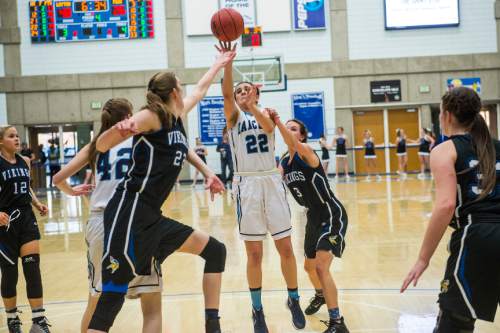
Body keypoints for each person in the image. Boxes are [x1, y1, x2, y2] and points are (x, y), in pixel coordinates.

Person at [88, 48, 234, 333]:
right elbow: (102, 146)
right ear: (175, 92)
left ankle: (212, 325)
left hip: (151, 217)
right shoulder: (150, 116)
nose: (185, 88)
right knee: (112, 297)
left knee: (215, 251)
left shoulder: (176, 116)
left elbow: (202, 89)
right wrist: (119, 129)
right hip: (128, 212)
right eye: (181, 84)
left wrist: (218, 62)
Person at [53, 99, 165, 333]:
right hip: (134, 218)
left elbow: (57, 179)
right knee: (151, 299)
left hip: (100, 222)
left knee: (96, 298)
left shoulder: (96, 145)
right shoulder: (140, 139)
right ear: (128, 116)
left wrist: (72, 191)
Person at [220, 41, 305, 332]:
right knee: (255, 253)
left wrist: (252, 103)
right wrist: (228, 63)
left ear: (256, 92)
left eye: (247, 89)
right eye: (238, 91)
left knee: (285, 248)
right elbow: (226, 91)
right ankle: (257, 310)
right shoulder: (233, 118)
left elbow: (269, 129)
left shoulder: (267, 114)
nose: (241, 93)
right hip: (247, 185)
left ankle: (293, 298)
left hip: (270, 180)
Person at [401, 87, 500, 332]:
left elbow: (445, 206)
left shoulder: (445, 150)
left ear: (445, 115)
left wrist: (423, 259)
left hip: (477, 236)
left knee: (455, 322)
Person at [272, 113, 349, 333]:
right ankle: (321, 295)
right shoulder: (284, 161)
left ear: (302, 135)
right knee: (308, 267)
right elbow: (274, 181)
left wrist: (276, 121)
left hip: (331, 213)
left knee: (321, 266)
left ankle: (337, 322)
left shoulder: (307, 152)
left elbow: (293, 142)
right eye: (288, 128)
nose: (290, 130)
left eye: (294, 128)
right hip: (312, 217)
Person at [0, 125, 50, 333]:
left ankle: (38, 320)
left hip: (26, 219)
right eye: (11, 136)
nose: (17, 139)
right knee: (10, 274)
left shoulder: (25, 161)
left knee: (32, 268)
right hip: (5, 223)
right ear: (1, 142)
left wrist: (37, 204)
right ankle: (12, 319)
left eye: (17, 135)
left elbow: (26, 188)